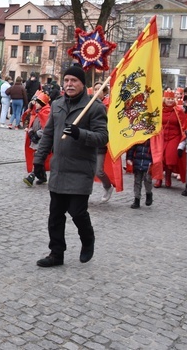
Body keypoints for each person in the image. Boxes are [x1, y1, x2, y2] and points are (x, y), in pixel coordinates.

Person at [32, 65, 108, 267]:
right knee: (55, 215)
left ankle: (87, 239)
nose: (69, 84)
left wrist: (80, 134)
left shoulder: (94, 107)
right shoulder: (57, 105)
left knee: (77, 212)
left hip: (81, 169)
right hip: (59, 167)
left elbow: (102, 138)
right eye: (66, 80)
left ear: (83, 84)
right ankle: (56, 254)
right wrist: (39, 160)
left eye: (74, 81)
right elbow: (48, 135)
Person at [153, 90, 187, 188]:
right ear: (164, 99)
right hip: (161, 137)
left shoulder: (178, 111)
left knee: (170, 159)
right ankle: (159, 178)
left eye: (172, 99)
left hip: (174, 137)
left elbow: (183, 124)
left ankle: (168, 177)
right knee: (159, 158)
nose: (170, 101)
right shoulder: (159, 110)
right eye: (168, 99)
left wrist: (183, 137)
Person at [93, 81, 115, 203]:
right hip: (90, 140)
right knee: (86, 169)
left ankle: (108, 186)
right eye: (95, 89)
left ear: (104, 92)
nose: (97, 91)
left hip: (101, 141)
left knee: (98, 171)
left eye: (99, 89)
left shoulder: (108, 106)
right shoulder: (89, 103)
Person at [23, 91, 51, 186]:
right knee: (39, 159)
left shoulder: (46, 112)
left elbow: (46, 128)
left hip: (43, 141)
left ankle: (32, 176)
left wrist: (37, 135)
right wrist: (30, 131)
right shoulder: (37, 113)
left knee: (38, 159)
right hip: (36, 140)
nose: (36, 105)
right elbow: (32, 123)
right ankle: (42, 177)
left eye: (38, 103)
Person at [127, 139, 153, 209]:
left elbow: (156, 150)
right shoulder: (138, 137)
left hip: (148, 163)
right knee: (137, 182)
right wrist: (129, 158)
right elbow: (131, 147)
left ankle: (148, 193)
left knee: (147, 180)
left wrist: (153, 161)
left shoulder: (153, 138)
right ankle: (137, 200)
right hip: (137, 162)